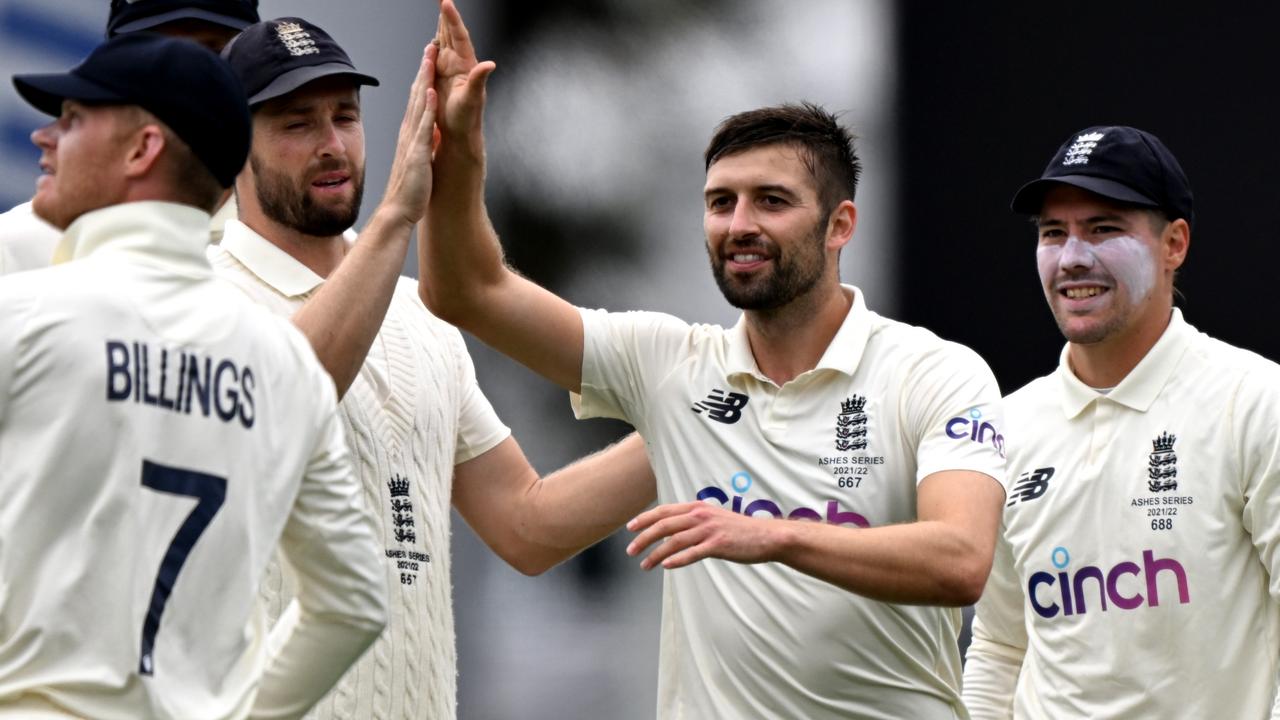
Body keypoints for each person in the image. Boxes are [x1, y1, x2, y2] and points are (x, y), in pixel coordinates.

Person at [420, 3, 1008, 717]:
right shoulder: (674, 369)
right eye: (720, 202)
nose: (739, 226)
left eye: (772, 201)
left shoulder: (934, 373)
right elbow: (469, 292)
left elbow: (960, 560)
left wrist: (773, 534)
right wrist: (459, 157)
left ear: (840, 225)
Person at [212, 15, 656, 719]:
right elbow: (288, 404)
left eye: (345, 116)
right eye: (297, 124)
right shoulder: (200, 295)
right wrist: (397, 216)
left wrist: (686, 423)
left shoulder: (421, 315)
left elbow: (526, 525)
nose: (332, 146)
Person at [0, 34, 386, 718]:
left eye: (73, 119)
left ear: (142, 149)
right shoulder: (285, 366)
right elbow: (354, 603)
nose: (44, 137)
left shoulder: (22, 314)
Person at [962, 126, 1280, 718]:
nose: (1072, 258)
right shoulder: (1005, 427)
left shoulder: (1256, 401)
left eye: (1104, 228)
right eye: (1053, 233)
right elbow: (1003, 645)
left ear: (1174, 244)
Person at [0, 0, 261, 277]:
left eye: (213, 53)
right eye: (153, 51)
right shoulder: (15, 244)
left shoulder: (294, 237)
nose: (184, 73)